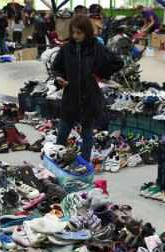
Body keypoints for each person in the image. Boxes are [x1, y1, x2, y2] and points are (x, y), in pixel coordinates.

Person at [52, 15, 123, 161]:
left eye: (79, 32)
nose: (75, 36)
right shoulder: (66, 48)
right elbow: (57, 67)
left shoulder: (97, 48)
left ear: (87, 32)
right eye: (73, 32)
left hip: (89, 99)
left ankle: (84, 165)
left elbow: (118, 62)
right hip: (70, 99)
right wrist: (59, 79)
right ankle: (56, 163)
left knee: (87, 135)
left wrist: (99, 74)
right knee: (62, 134)